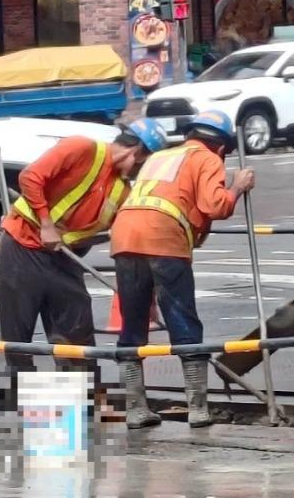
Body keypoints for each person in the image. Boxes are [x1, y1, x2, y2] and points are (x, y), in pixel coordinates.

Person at [0, 119, 168, 403]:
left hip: (64, 260)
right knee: (18, 335)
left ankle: (79, 403)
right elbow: (30, 177)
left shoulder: (121, 191)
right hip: (22, 247)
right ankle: (21, 405)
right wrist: (46, 223)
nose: (140, 172)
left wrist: (144, 297)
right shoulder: (81, 148)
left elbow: (118, 235)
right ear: (136, 152)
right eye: (143, 164)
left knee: (76, 331)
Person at [108, 110, 255, 429]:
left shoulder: (162, 156)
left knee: (132, 325)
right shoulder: (208, 158)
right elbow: (215, 206)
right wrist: (238, 186)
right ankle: (198, 409)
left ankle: (135, 409)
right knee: (183, 320)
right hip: (162, 238)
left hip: (124, 235)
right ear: (221, 147)